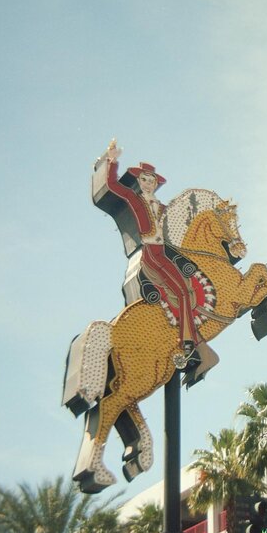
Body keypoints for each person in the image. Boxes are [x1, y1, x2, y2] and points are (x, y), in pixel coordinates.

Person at [102, 140, 200, 369]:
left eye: (151, 180)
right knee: (184, 291)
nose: (148, 183)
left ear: (156, 183)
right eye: (144, 180)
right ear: (139, 182)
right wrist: (111, 160)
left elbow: (179, 227)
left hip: (165, 252)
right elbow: (112, 186)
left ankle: (186, 338)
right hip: (152, 254)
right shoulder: (136, 200)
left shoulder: (162, 207)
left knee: (188, 286)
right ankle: (188, 344)